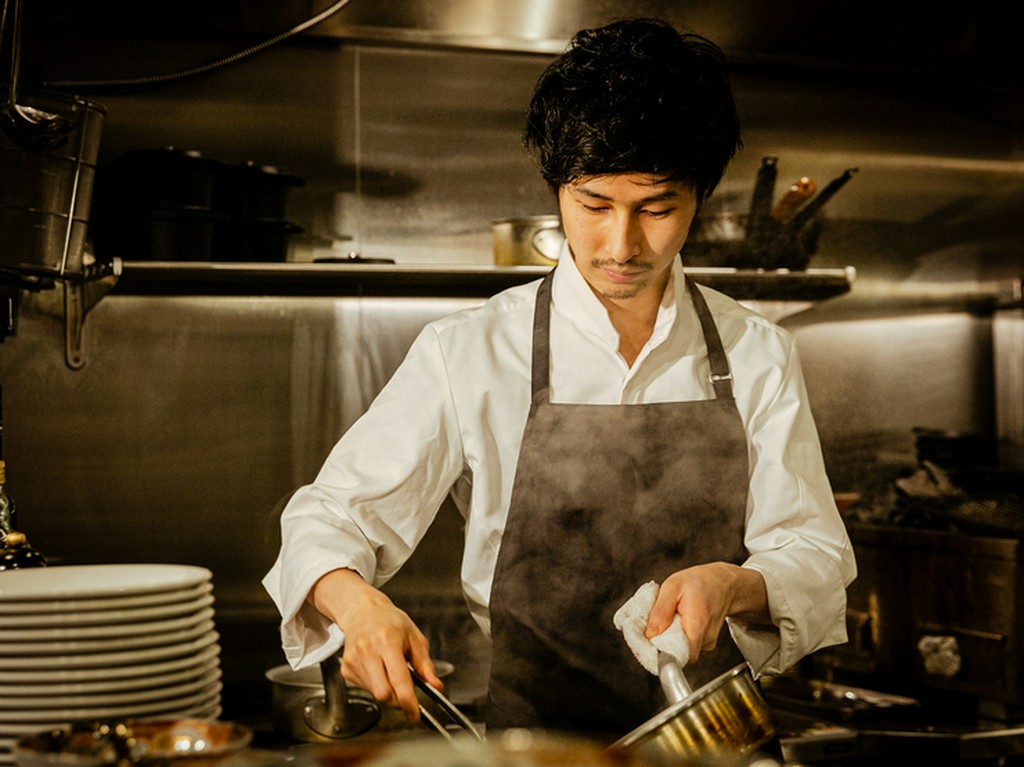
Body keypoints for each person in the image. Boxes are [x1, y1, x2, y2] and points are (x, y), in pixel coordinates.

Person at [263, 17, 856, 737]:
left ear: (699, 196)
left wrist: (736, 584)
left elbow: (815, 553)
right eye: (594, 205)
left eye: (656, 208)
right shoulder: (471, 350)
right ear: (556, 190)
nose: (621, 245)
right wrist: (356, 604)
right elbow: (328, 518)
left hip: (714, 739)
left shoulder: (757, 352)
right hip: (533, 746)